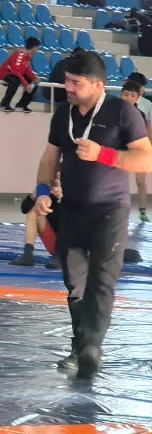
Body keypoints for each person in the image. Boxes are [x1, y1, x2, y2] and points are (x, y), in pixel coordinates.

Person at [31, 51, 152, 379]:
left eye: (76, 82)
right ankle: (81, 346)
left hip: (110, 211)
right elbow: (50, 157)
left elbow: (146, 159)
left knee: (101, 281)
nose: (68, 87)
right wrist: (42, 192)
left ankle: (91, 349)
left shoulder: (123, 113)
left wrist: (105, 154)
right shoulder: (63, 114)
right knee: (75, 284)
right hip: (72, 210)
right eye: (67, 80)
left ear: (98, 85)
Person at [10, 173, 62, 268]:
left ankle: (63, 255)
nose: (57, 180)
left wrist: (63, 198)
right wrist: (33, 198)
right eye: (56, 178)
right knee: (34, 211)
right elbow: (25, 209)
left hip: (73, 245)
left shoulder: (77, 192)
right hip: (55, 243)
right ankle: (28, 254)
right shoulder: (48, 194)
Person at [121, 78, 152, 222]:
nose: (128, 98)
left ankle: (143, 210)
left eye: (132, 95)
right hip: (118, 152)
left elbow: (147, 132)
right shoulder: (112, 111)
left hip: (136, 152)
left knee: (141, 181)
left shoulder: (141, 114)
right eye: (126, 94)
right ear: (121, 94)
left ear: (137, 97)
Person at [0, 36, 41, 113]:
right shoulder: (20, 55)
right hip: (4, 73)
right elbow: (15, 71)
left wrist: (34, 78)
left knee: (33, 81)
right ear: (34, 47)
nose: (37, 50)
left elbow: (27, 71)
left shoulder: (27, 57)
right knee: (16, 79)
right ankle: (4, 104)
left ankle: (21, 105)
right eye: (37, 47)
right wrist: (26, 84)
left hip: (13, 74)